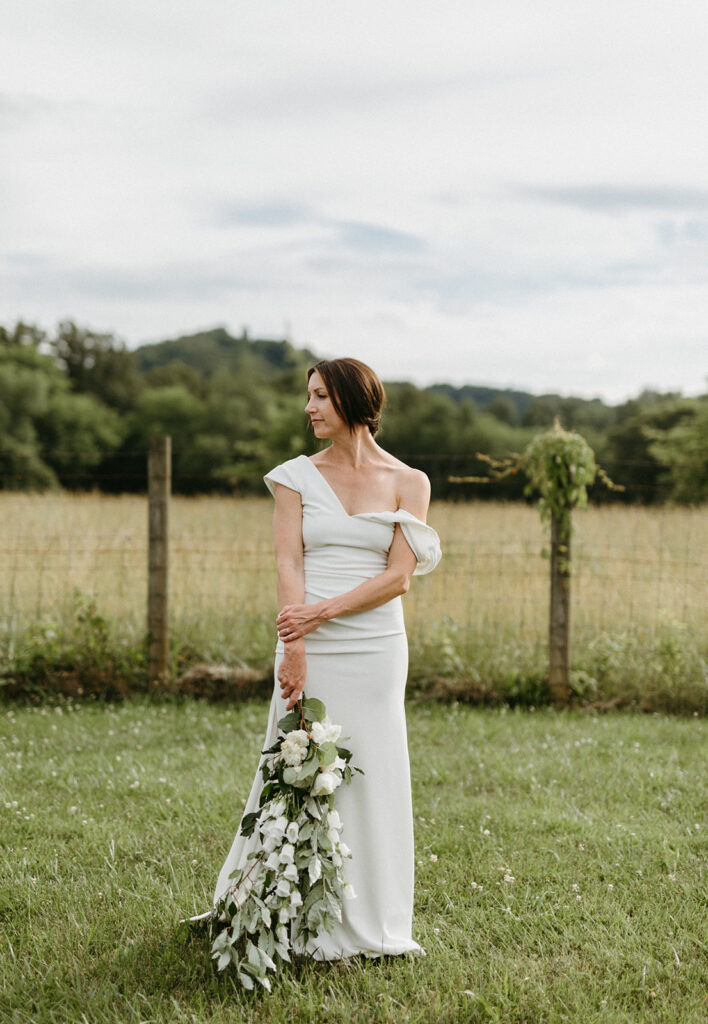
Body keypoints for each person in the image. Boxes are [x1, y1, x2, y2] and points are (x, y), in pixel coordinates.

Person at [212, 357, 442, 959]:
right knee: (293, 764)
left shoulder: (408, 481)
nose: (309, 407)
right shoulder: (293, 477)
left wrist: (321, 612)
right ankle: (280, 905)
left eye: (319, 396)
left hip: (375, 648)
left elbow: (398, 578)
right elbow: (289, 564)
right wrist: (297, 643)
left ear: (351, 401)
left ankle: (370, 920)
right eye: (307, 396)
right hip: (308, 644)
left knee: (374, 772)